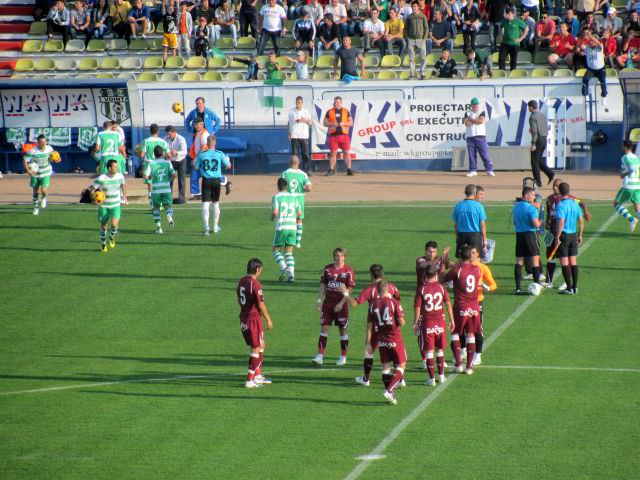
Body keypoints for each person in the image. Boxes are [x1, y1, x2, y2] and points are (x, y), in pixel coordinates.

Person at [336, 264, 401, 387]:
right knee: (394, 351)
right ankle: (399, 379)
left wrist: (345, 293)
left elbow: (354, 304)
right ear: (382, 274)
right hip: (391, 327)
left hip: (376, 326)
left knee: (369, 351)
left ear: (371, 275)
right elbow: (398, 299)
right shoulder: (391, 287)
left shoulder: (370, 290)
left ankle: (366, 379)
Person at [441, 245, 482, 374]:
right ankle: (469, 367)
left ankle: (458, 364)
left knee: (455, 333)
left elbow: (442, 279)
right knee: (471, 335)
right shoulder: (477, 269)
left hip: (461, 305)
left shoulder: (457, 270)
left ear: (459, 256)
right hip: (474, 306)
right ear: (470, 256)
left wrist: (443, 262)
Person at [365, 282, 406, 405]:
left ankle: (390, 394)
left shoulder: (372, 305)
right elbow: (401, 322)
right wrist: (401, 321)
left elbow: (370, 325)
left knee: (386, 366)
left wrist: (368, 343)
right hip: (394, 337)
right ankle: (388, 390)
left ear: (377, 291)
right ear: (388, 290)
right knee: (401, 365)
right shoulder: (394, 303)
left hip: (381, 339)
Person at [313, 247, 356, 366]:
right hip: (328, 303)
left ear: (345, 257)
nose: (338, 258)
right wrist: (319, 300)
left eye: (341, 255)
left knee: (342, 330)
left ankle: (343, 356)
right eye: (336, 255)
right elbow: (323, 285)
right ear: (333, 257)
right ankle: (320, 355)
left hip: (341, 304)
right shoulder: (327, 269)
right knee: (324, 328)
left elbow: (349, 290)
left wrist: (341, 303)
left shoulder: (348, 271)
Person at [414, 264, 454, 385]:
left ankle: (431, 379)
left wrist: (415, 323)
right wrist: (452, 320)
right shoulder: (441, 287)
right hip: (440, 323)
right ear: (436, 274)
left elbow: (417, 307)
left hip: (427, 323)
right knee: (440, 350)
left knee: (429, 351)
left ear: (425, 276)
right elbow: (447, 303)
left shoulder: (422, 289)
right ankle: (441, 376)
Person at [237, 258, 274, 388]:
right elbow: (260, 304)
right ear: (257, 269)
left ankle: (258, 376)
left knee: (260, 345)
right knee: (256, 348)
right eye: (261, 269)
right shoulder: (255, 284)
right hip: (253, 319)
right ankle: (249, 380)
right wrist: (268, 319)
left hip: (244, 318)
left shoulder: (241, 281)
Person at [195, 135, 231, 235]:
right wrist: (227, 160)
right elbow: (228, 166)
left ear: (207, 143)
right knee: (215, 203)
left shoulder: (202, 154)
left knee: (205, 204)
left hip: (206, 180)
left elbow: (196, 167)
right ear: (215, 143)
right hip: (216, 181)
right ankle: (215, 226)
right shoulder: (219, 153)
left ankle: (206, 227)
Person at [186, 98, 221, 197]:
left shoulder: (209, 112)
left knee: (207, 167)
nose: (199, 105)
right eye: (197, 103)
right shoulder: (193, 113)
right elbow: (187, 121)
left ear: (204, 104)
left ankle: (222, 180)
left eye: (200, 103)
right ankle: (196, 193)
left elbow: (218, 120)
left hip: (208, 139)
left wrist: (214, 130)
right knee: (203, 170)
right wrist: (190, 129)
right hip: (199, 138)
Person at [513, 186, 544, 295]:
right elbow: (536, 224)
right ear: (526, 195)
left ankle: (517, 288)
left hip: (519, 235)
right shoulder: (531, 208)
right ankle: (536, 284)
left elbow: (515, 222)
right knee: (535, 260)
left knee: (519, 261)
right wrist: (541, 220)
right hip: (530, 235)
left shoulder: (516, 207)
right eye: (533, 195)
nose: (534, 197)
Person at [470, 243, 496, 366]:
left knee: (477, 329)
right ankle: (464, 351)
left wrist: (487, 288)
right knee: (461, 329)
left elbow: (494, 285)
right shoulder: (463, 267)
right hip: (463, 301)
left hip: (477, 301)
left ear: (478, 254)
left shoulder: (483, 268)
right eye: (470, 253)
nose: (471, 255)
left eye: (473, 253)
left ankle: (478, 355)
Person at [92, 159, 127, 253]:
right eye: (115, 166)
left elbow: (123, 185)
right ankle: (103, 243)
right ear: (109, 168)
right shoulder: (101, 178)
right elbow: (92, 189)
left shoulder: (120, 176)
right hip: (104, 206)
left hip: (115, 204)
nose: (117, 168)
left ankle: (111, 237)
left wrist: (125, 197)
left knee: (114, 225)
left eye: (117, 166)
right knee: (103, 226)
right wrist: (94, 199)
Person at [555, 182, 584, 295]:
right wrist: (580, 235)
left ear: (559, 191)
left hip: (565, 235)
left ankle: (569, 287)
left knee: (564, 262)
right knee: (573, 261)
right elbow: (581, 221)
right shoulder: (574, 204)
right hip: (574, 235)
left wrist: (557, 237)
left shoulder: (561, 205)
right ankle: (575, 287)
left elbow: (561, 222)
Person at [270, 177, 302, 282]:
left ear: (278, 186)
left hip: (282, 227)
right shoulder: (293, 197)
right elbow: (299, 214)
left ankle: (284, 268)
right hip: (292, 227)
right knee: (289, 253)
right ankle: (291, 276)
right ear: (286, 186)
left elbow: (275, 212)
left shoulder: (276, 197)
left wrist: (272, 218)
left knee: (275, 251)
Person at [281, 155, 312, 248]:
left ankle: (287, 240)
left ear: (290, 163)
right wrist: (303, 190)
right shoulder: (303, 174)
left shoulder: (285, 173)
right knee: (299, 220)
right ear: (298, 163)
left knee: (287, 221)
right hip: (299, 199)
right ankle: (298, 242)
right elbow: (309, 188)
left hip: (288, 199)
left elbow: (282, 187)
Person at [144, 145, 176, 234]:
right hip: (166, 188)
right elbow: (174, 174)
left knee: (156, 208)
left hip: (156, 190)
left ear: (154, 154)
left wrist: (150, 178)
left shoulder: (151, 163)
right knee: (168, 206)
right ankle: (169, 216)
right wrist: (169, 180)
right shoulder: (168, 163)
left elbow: (146, 175)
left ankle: (159, 228)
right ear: (162, 153)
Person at [452, 183, 487, 257]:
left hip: (461, 235)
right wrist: (484, 239)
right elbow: (482, 225)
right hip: (475, 236)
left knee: (461, 260)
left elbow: (455, 225)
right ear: (474, 193)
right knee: (476, 260)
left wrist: (458, 237)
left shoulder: (458, 205)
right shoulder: (478, 206)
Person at [23, 135, 54, 216]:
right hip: (35, 173)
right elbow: (25, 160)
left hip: (46, 172)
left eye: (44, 142)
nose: (42, 144)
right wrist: (28, 170)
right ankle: (36, 207)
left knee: (43, 190)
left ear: (46, 142)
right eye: (40, 142)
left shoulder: (49, 148)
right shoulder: (33, 151)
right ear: (37, 143)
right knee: (35, 191)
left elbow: (52, 157)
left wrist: (56, 159)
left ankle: (44, 198)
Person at [613, 141, 640, 233]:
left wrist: (624, 174)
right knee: (637, 207)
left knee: (616, 204)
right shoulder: (636, 157)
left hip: (629, 186)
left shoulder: (625, 157)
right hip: (637, 185)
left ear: (625, 147)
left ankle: (632, 219)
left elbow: (632, 168)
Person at [323, 96, 354, 176]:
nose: (337, 103)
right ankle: (332, 169)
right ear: (334, 103)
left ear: (341, 103)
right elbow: (325, 123)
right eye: (335, 102)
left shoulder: (346, 111)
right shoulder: (329, 112)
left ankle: (349, 169)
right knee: (333, 153)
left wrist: (343, 124)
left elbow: (351, 123)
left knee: (346, 152)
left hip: (344, 136)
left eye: (338, 102)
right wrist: (332, 124)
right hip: (333, 136)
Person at [464, 98, 495, 177]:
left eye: (476, 105)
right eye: (473, 105)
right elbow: (467, 124)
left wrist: (471, 119)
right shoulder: (467, 113)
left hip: (480, 136)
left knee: (484, 154)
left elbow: (480, 121)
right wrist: (474, 120)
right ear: (471, 105)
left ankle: (489, 170)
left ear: (478, 105)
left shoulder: (481, 112)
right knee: (471, 155)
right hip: (470, 136)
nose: (474, 106)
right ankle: (473, 170)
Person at [528, 100, 555, 187]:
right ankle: (550, 173)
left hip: (538, 140)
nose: (528, 108)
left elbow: (535, 132)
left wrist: (533, 143)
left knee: (534, 162)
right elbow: (544, 127)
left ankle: (538, 181)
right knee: (538, 159)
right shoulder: (542, 115)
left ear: (531, 107)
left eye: (529, 107)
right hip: (544, 139)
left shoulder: (532, 117)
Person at [141, 124, 169, 202]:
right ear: (158, 131)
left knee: (150, 183)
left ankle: (151, 199)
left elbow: (142, 154)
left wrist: (138, 152)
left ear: (150, 131)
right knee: (159, 181)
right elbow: (168, 154)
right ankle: (160, 200)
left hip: (149, 163)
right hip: (159, 164)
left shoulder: (146, 141)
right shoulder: (162, 141)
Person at [582, 31, 608, 110]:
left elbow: (598, 43)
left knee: (603, 81)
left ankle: (604, 97)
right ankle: (586, 96)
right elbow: (581, 45)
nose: (591, 42)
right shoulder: (587, 47)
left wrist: (590, 36)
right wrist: (584, 38)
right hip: (591, 70)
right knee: (585, 79)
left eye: (592, 41)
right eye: (590, 41)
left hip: (600, 69)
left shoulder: (600, 47)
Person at [405, 1, 429, 79]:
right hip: (411, 40)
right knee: (411, 58)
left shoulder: (423, 16)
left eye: (415, 6)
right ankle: (412, 74)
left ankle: (423, 73)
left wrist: (424, 39)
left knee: (423, 57)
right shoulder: (409, 17)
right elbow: (406, 28)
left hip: (420, 39)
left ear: (418, 7)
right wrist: (408, 37)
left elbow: (426, 28)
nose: (414, 8)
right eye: (412, 6)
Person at [165, 126, 188, 204]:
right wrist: (166, 154)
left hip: (181, 160)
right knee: (169, 180)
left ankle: (181, 199)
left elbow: (185, 152)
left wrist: (176, 153)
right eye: (168, 134)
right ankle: (168, 198)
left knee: (181, 180)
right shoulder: (165, 139)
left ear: (174, 132)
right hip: (171, 161)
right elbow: (164, 150)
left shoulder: (181, 139)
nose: (168, 136)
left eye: (170, 134)